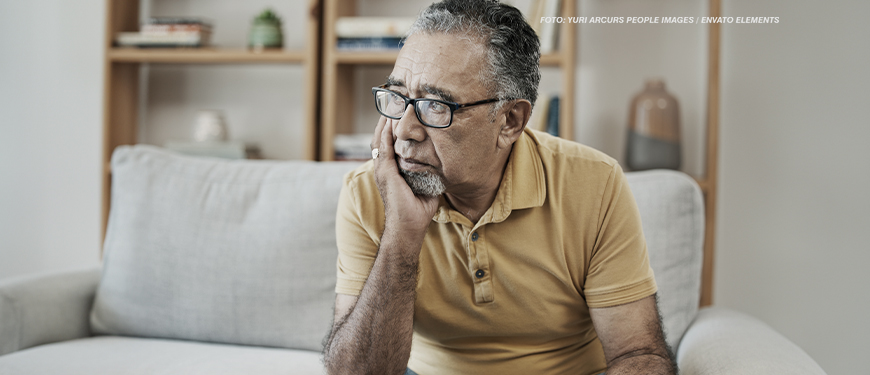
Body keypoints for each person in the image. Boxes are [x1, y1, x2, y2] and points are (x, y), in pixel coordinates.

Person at [322, 1, 677, 374]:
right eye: (397, 97)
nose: (405, 130)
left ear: (510, 120)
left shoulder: (594, 184)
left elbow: (639, 355)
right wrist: (401, 235)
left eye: (436, 106)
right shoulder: (368, 192)